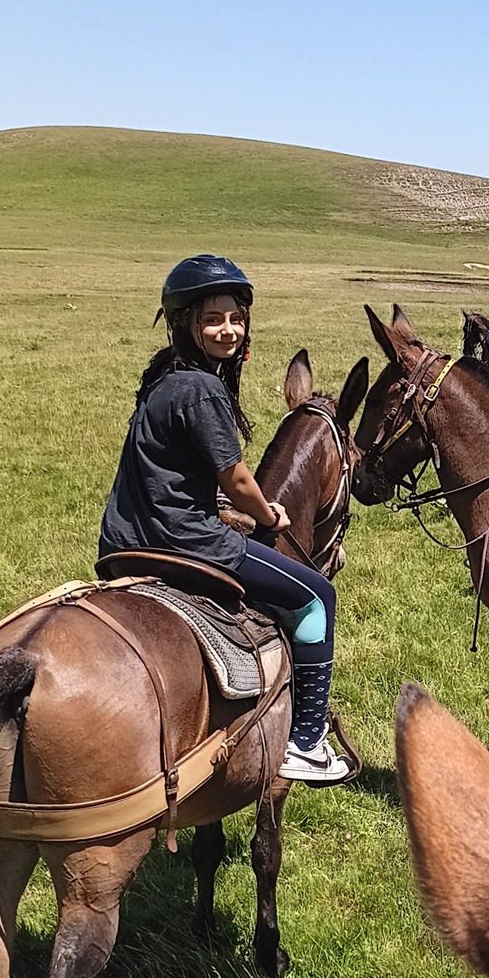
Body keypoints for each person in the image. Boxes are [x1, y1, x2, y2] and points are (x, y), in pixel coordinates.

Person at [99, 254, 352, 784]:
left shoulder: (164, 380)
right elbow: (235, 479)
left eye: (236, 317)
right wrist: (268, 514)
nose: (228, 329)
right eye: (213, 318)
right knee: (315, 598)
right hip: (185, 540)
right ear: (187, 324)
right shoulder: (203, 389)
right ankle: (306, 741)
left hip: (127, 536)